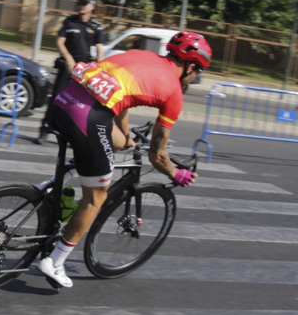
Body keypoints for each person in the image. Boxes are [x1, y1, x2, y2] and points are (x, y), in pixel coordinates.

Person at [35, 31, 211, 287]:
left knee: (114, 142)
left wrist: (126, 136)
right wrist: (175, 173)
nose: (196, 78)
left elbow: (120, 99)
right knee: (97, 198)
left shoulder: (144, 56)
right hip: (88, 117)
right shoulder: (174, 94)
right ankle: (55, 261)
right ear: (191, 67)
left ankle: (53, 184)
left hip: (63, 101)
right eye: (199, 73)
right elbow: (157, 155)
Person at [34, 0, 105, 144]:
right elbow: (60, 42)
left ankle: (70, 135)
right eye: (79, 3)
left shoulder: (96, 26)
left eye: (84, 3)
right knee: (56, 100)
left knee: (77, 104)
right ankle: (45, 129)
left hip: (84, 71)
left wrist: (100, 69)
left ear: (92, 6)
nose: (81, 5)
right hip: (67, 68)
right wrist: (68, 58)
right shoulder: (69, 22)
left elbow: (100, 50)